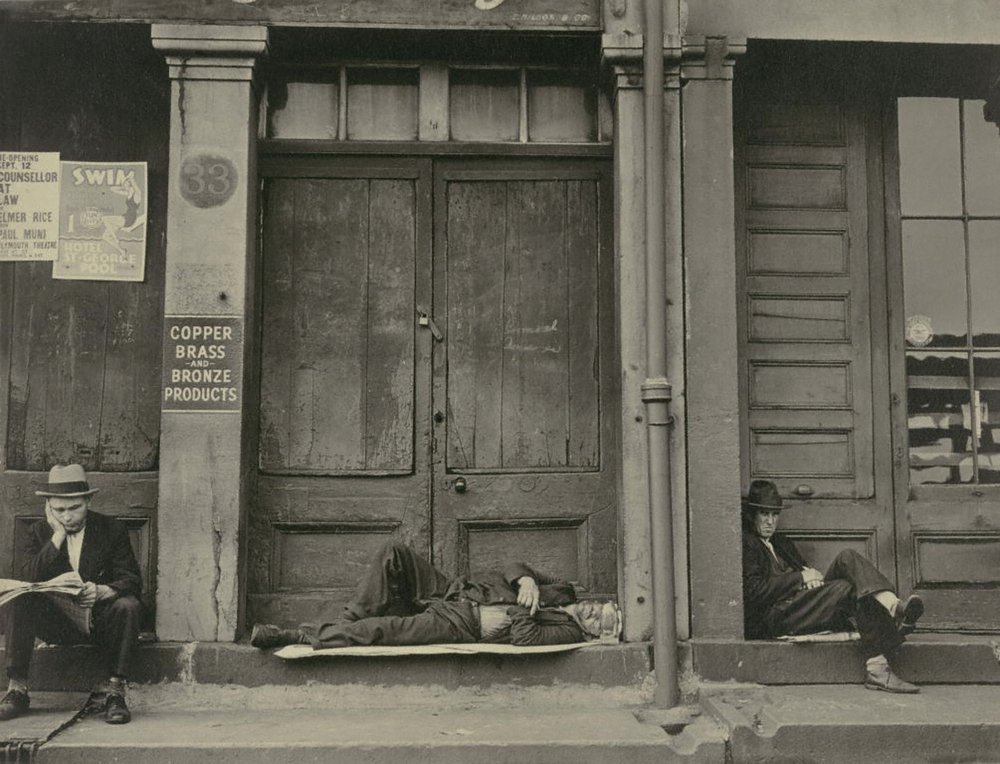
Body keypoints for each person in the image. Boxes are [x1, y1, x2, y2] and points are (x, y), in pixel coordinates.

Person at [742, 479, 924, 694]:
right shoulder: (748, 544)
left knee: (847, 557)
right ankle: (878, 667)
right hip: (779, 615)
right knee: (847, 589)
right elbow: (753, 592)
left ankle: (893, 605)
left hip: (803, 602)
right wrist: (800, 578)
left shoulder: (781, 542)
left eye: (774, 515)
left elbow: (804, 570)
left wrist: (812, 578)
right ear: (752, 515)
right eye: (764, 514)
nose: (770, 522)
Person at [250, 542, 608, 650]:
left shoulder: (568, 630)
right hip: (455, 589)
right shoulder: (563, 590)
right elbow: (514, 561)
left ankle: (301, 635)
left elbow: (524, 636)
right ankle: (345, 624)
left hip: (459, 623)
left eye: (598, 619)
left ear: (594, 632)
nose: (591, 611)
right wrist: (526, 580)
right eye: (599, 607)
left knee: (385, 630)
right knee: (394, 553)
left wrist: (521, 608)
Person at [0, 464, 144, 724]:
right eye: (59, 510)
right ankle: (17, 688)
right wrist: (57, 537)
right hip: (56, 623)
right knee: (19, 596)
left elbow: (131, 579)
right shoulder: (39, 532)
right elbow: (28, 577)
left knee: (128, 605)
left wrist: (104, 591)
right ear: (48, 508)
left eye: (74, 508)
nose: (67, 517)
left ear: (88, 500)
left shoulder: (111, 529)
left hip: (99, 621)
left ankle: (115, 691)